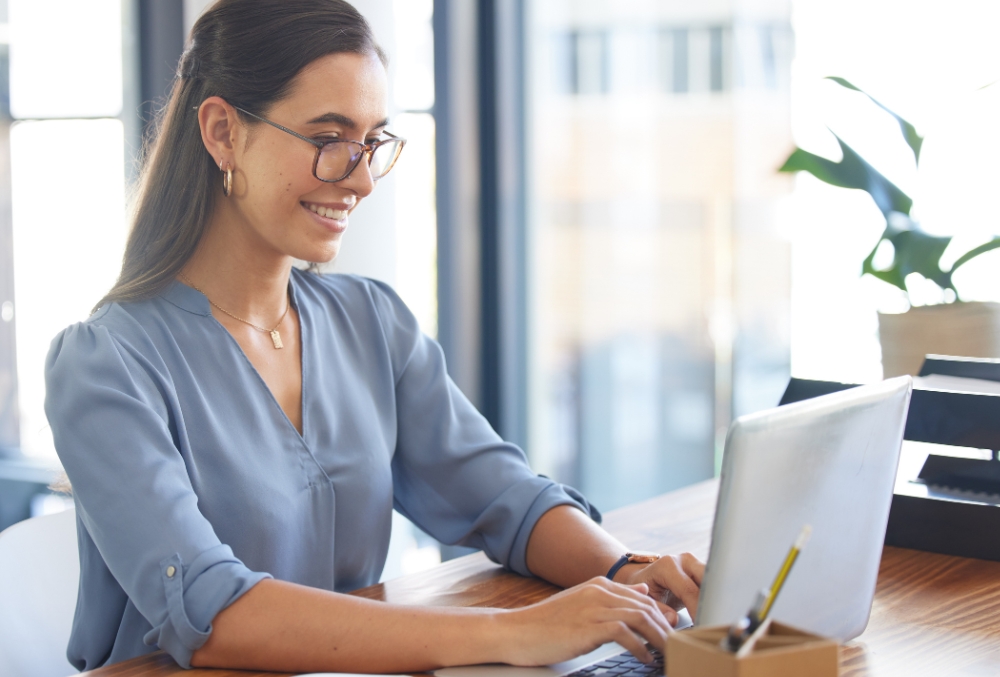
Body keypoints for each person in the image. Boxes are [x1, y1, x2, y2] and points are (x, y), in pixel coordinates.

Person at [44, 0, 704, 673]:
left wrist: (621, 570)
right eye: (328, 138)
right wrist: (513, 631)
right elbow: (211, 613)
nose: (359, 178)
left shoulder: (370, 322)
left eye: (370, 141)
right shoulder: (104, 365)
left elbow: (506, 496)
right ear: (222, 132)